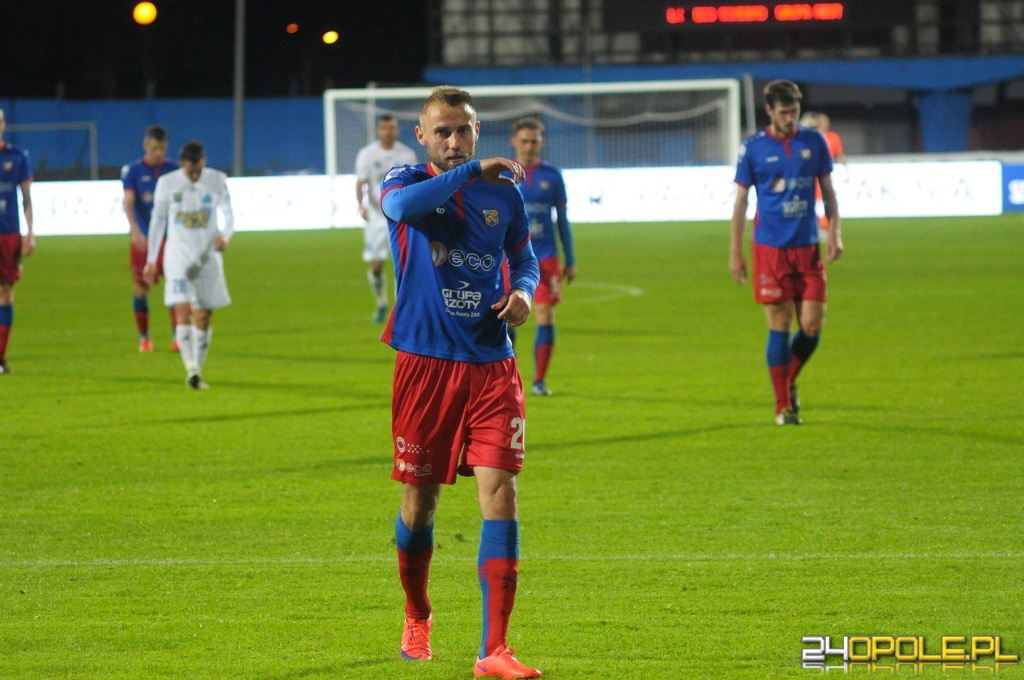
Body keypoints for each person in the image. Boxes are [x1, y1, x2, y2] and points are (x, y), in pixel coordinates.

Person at [379, 86, 542, 679]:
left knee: (502, 493)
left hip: (492, 365)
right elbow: (402, 210)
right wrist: (472, 170)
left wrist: (524, 292)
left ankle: (493, 650)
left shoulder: (505, 194)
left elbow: (525, 258)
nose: (453, 140)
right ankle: (417, 611)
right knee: (420, 505)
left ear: (477, 130)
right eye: (442, 131)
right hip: (425, 365)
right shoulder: (405, 180)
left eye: (464, 130)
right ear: (422, 135)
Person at [729, 80, 844, 425]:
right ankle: (783, 406)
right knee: (780, 323)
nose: (791, 118)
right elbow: (740, 201)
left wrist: (834, 233)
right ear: (769, 111)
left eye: (794, 111)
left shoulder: (814, 141)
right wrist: (735, 251)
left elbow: (828, 191)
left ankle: (787, 379)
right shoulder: (753, 148)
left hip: (807, 247)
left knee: (811, 325)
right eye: (784, 112)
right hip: (770, 249)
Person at [143, 140, 233, 390]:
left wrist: (225, 236)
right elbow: (157, 222)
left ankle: (197, 370)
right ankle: (191, 368)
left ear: (204, 162)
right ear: (182, 164)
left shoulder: (216, 180)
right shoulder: (167, 183)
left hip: (207, 257)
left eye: (198, 169)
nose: (195, 174)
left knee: (203, 316)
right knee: (182, 309)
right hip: (178, 256)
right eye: (190, 170)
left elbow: (230, 215)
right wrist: (151, 259)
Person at [509, 117, 576, 397]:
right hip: (510, 257)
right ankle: (507, 378)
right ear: (515, 141)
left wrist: (570, 259)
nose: (529, 146)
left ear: (541, 142)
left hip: (546, 257)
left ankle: (538, 381)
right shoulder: (503, 174)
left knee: (545, 313)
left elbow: (562, 220)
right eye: (524, 141)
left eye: (534, 141)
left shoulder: (552, 176)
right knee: (507, 316)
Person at [354, 114, 418, 323]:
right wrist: (362, 206)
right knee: (376, 266)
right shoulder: (367, 154)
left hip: (400, 217)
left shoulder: (407, 155)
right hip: (376, 217)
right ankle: (381, 301)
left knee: (404, 265)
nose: (388, 132)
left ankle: (401, 309)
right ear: (378, 130)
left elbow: (415, 184)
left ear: (397, 130)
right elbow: (361, 183)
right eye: (384, 128)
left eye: (391, 128)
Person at [122, 124, 179, 352]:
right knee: (141, 288)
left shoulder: (173, 170)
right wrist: (135, 231)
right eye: (155, 148)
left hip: (170, 240)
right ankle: (144, 338)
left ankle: (177, 337)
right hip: (144, 240)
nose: (159, 153)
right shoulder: (133, 171)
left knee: (175, 286)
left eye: (162, 149)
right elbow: (128, 202)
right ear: (145, 145)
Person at [0, 108, 35, 375]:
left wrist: (30, 233)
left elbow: (27, 198)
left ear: (3, 125)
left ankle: (0, 357)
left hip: (9, 234)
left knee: (6, 291)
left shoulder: (18, 156)